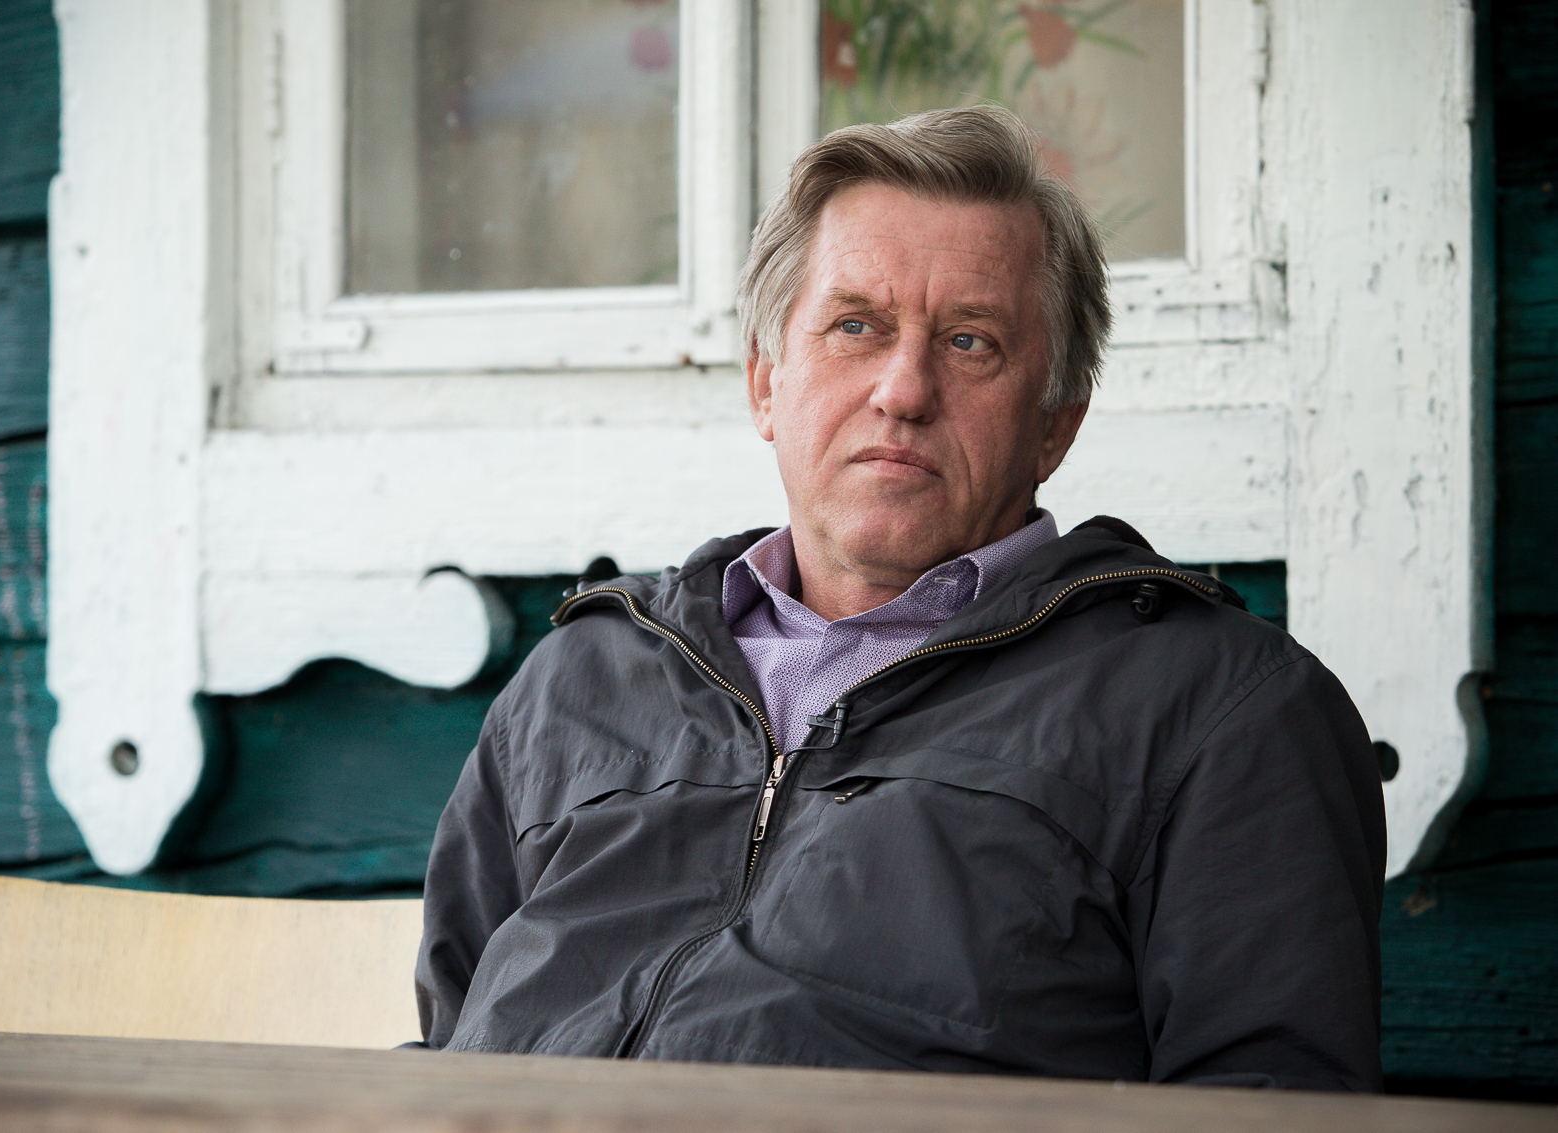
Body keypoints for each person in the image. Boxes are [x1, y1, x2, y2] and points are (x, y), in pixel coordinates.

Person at [414, 105, 1386, 1090]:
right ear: (764, 382)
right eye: (854, 326)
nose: (903, 389)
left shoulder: (1215, 710)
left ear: (1055, 422)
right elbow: (446, 1050)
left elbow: (1274, 1112)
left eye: (969, 341)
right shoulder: (580, 678)